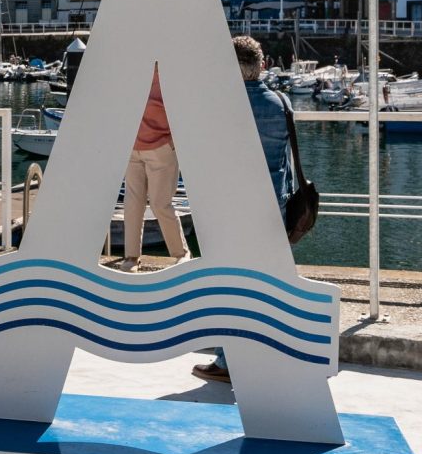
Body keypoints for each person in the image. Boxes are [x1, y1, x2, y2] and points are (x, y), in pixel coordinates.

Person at [192, 34, 297, 385]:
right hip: (273, 208)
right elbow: (287, 161)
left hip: (231, 209)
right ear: (261, 65)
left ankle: (227, 359)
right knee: (268, 282)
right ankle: (270, 353)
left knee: (230, 284)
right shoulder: (282, 103)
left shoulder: (220, 107)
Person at [116, 61, 186, 271]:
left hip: (157, 145)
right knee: (136, 203)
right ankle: (132, 256)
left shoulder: (140, 68)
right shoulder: (168, 69)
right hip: (135, 145)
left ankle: (179, 254)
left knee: (157, 203)